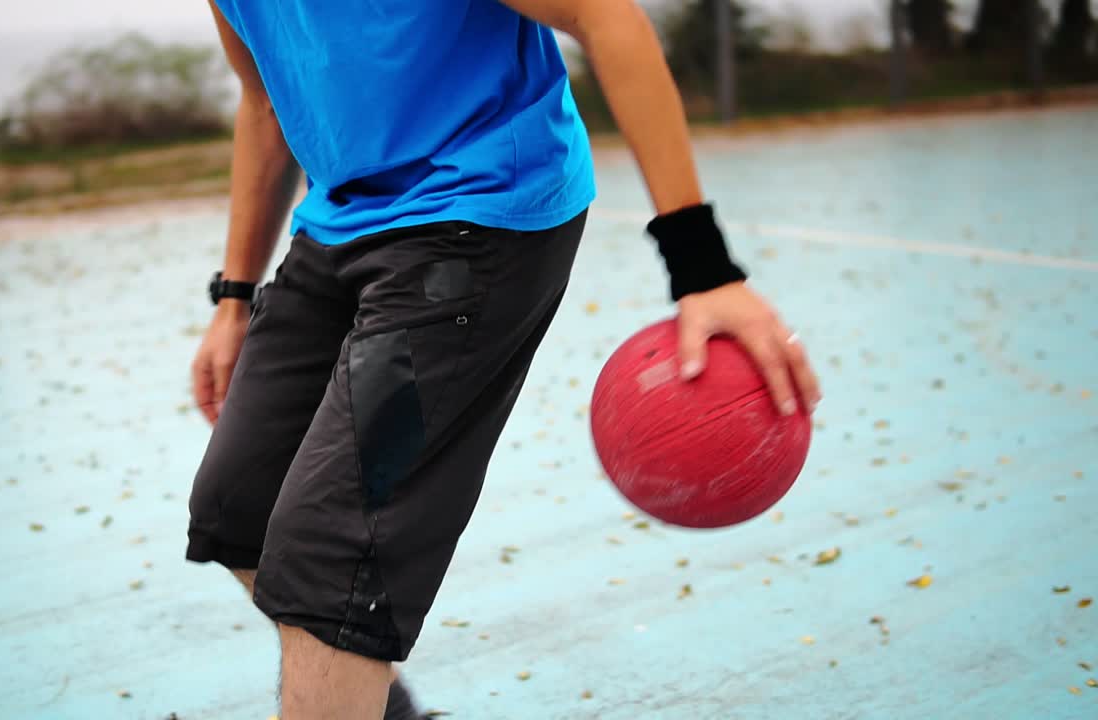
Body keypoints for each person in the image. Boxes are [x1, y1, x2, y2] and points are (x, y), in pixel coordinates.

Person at [185, 0, 821, 717]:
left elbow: (604, 17)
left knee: (332, 547)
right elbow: (264, 99)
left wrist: (702, 266)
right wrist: (233, 299)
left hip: (475, 215)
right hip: (340, 220)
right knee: (238, 507)